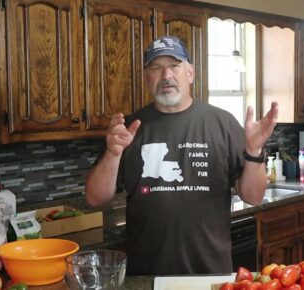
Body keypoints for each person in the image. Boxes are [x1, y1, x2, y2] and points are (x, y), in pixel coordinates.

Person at [85, 36, 278, 275]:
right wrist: (114, 153)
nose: (166, 75)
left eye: (174, 65)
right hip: (147, 275)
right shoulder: (128, 130)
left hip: (209, 274)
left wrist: (254, 151)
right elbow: (95, 198)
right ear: (147, 78)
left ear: (190, 73)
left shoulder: (223, 124)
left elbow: (253, 196)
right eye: (156, 67)